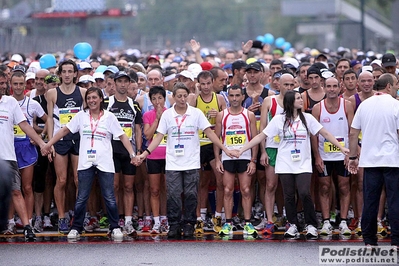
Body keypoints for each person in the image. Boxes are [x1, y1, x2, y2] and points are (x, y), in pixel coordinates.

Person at [234, 90, 348, 238]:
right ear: (290, 102)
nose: (302, 100)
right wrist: (242, 149)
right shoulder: (278, 120)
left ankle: (311, 225)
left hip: (303, 163)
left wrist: (341, 147)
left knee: (304, 193)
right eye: (298, 98)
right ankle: (293, 224)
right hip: (285, 163)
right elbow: (261, 135)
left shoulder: (307, 118)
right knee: (288, 195)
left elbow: (325, 133)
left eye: (301, 97)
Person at [136, 82, 235, 238]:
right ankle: (174, 224)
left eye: (184, 96)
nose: (182, 99)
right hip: (173, 163)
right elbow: (158, 137)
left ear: (188, 96)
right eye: (179, 96)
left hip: (191, 162)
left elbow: (210, 133)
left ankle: (189, 223)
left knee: (191, 194)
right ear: (173, 97)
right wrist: (144, 153)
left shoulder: (196, 113)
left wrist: (225, 149)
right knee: (173, 195)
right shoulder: (167, 115)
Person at [41, 87, 136, 241]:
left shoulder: (109, 117)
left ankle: (115, 227)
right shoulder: (81, 116)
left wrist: (132, 154)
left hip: (104, 161)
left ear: (100, 99)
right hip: (85, 161)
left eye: (94, 98)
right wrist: (48, 144)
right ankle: (76, 227)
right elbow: (64, 131)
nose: (91, 100)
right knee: (82, 197)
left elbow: (123, 136)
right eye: (89, 98)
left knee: (109, 196)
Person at [348, 73, 399, 249]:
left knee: (370, 200)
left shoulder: (364, 105)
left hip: (370, 160)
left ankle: (369, 240)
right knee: (395, 200)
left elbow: (353, 133)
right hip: (392, 160)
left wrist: (353, 157)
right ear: (389, 86)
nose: (397, 88)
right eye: (396, 85)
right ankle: (396, 241)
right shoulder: (396, 105)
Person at [0, 70, 47, 241]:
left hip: (8, 156)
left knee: (16, 191)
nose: (3, 87)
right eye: (1, 84)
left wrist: (42, 143)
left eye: (4, 83)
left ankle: (27, 226)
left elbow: (25, 126)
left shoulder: (10, 102)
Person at [46, 59, 87, 233]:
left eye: (71, 71)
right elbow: (49, 118)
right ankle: (62, 217)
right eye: (65, 71)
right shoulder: (52, 93)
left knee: (79, 180)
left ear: (75, 74)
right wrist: (50, 143)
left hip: (78, 139)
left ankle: (78, 218)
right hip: (60, 140)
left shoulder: (83, 92)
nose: (68, 74)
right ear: (60, 74)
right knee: (61, 180)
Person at [213, 84, 258, 237]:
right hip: (227, 157)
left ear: (242, 97)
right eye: (231, 95)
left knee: (245, 190)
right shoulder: (222, 115)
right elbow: (216, 139)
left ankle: (248, 223)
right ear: (228, 97)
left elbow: (254, 139)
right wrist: (218, 159)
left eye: (237, 95)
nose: (234, 99)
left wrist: (253, 160)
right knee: (227, 189)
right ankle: (228, 223)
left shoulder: (248, 115)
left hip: (244, 156)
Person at [311, 77, 354, 236]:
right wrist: (317, 156)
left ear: (339, 87)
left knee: (344, 186)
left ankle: (343, 221)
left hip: (343, 155)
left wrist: (350, 153)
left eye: (335, 86)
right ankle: (326, 221)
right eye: (328, 86)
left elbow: (352, 131)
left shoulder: (347, 105)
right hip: (325, 155)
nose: (331, 89)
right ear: (324, 87)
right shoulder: (317, 108)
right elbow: (313, 135)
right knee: (324, 187)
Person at [106, 71, 142, 236]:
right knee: (113, 186)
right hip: (110, 151)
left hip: (129, 151)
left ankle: (128, 221)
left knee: (128, 186)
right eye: (119, 81)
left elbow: (138, 129)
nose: (122, 84)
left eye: (125, 82)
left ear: (129, 84)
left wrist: (138, 152)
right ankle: (115, 221)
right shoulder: (107, 103)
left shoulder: (134, 105)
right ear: (114, 83)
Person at [142, 86, 169, 234]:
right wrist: (157, 119)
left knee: (167, 189)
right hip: (153, 156)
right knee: (154, 189)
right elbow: (147, 135)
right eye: (154, 99)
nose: (157, 101)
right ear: (150, 101)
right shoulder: (148, 115)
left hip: (169, 156)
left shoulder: (171, 114)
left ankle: (165, 217)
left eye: (160, 98)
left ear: (165, 99)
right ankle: (156, 220)